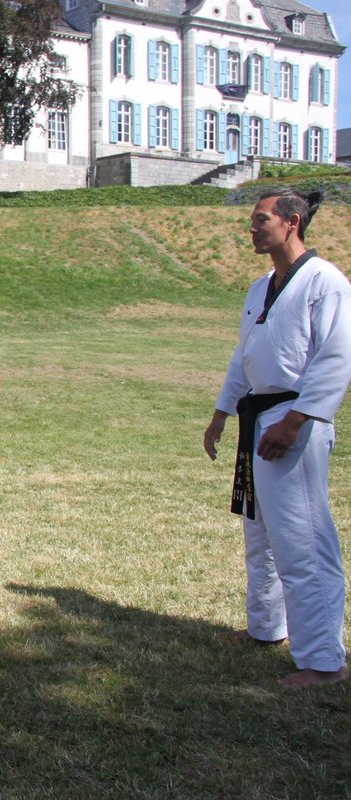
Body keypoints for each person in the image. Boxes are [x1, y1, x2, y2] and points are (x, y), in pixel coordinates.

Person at [203, 188, 351, 688]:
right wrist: (222, 412)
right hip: (258, 416)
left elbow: (335, 359)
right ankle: (267, 627)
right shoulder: (260, 287)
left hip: (295, 421)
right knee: (260, 532)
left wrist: (299, 419)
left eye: (260, 219)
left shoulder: (324, 281)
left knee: (303, 539)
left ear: (291, 222)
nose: (252, 228)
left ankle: (323, 660)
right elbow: (244, 355)